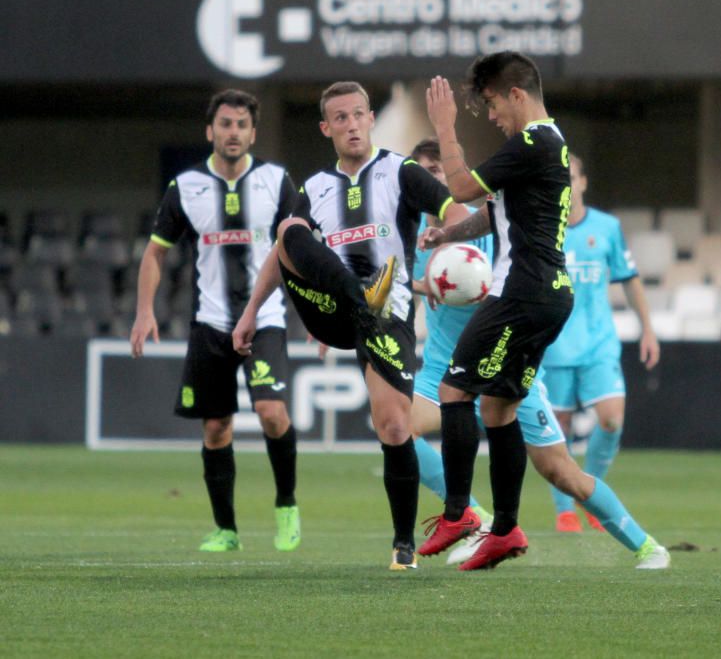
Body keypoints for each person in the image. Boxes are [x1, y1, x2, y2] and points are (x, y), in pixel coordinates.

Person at [232, 81, 470, 571]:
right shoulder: (314, 188)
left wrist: (450, 237)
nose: (351, 124)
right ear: (327, 128)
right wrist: (252, 311)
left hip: (391, 310)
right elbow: (284, 253)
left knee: (394, 424)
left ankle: (403, 545)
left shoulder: (400, 171)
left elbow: (455, 207)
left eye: (358, 114)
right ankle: (360, 295)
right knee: (288, 230)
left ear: (369, 119)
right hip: (342, 304)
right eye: (339, 118)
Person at [409, 139, 669, 569]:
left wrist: (465, 287)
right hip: (443, 364)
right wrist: (422, 285)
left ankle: (645, 545)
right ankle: (476, 515)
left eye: (439, 170)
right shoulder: (417, 232)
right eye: (424, 174)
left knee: (559, 470)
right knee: (398, 428)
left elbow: (506, 288)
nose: (432, 179)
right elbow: (406, 283)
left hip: (504, 358)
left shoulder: (493, 224)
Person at [415, 50, 576, 570]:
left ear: (516, 95)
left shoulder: (534, 140)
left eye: (489, 104)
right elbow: (494, 213)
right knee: (497, 408)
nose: (489, 116)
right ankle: (505, 530)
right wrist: (449, 233)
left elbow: (461, 187)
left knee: (453, 390)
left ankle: (460, 513)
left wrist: (444, 125)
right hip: (548, 295)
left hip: (520, 293)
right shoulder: (545, 146)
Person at [130, 89, 301, 553]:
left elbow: (302, 248)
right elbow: (154, 253)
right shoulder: (184, 187)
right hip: (210, 322)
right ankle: (226, 529)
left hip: (263, 317)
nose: (233, 132)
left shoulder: (275, 180)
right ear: (210, 131)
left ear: (252, 132)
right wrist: (145, 310)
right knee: (216, 428)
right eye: (225, 124)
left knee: (271, 413)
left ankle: (286, 503)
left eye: (241, 125)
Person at [543, 152, 660, 533]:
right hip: (553, 346)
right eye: (559, 179)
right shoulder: (542, 228)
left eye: (571, 177)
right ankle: (564, 511)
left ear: (583, 182)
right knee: (556, 430)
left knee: (611, 419)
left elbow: (629, 277)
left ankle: (589, 492)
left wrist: (647, 328)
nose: (566, 184)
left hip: (598, 345)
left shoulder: (607, 228)